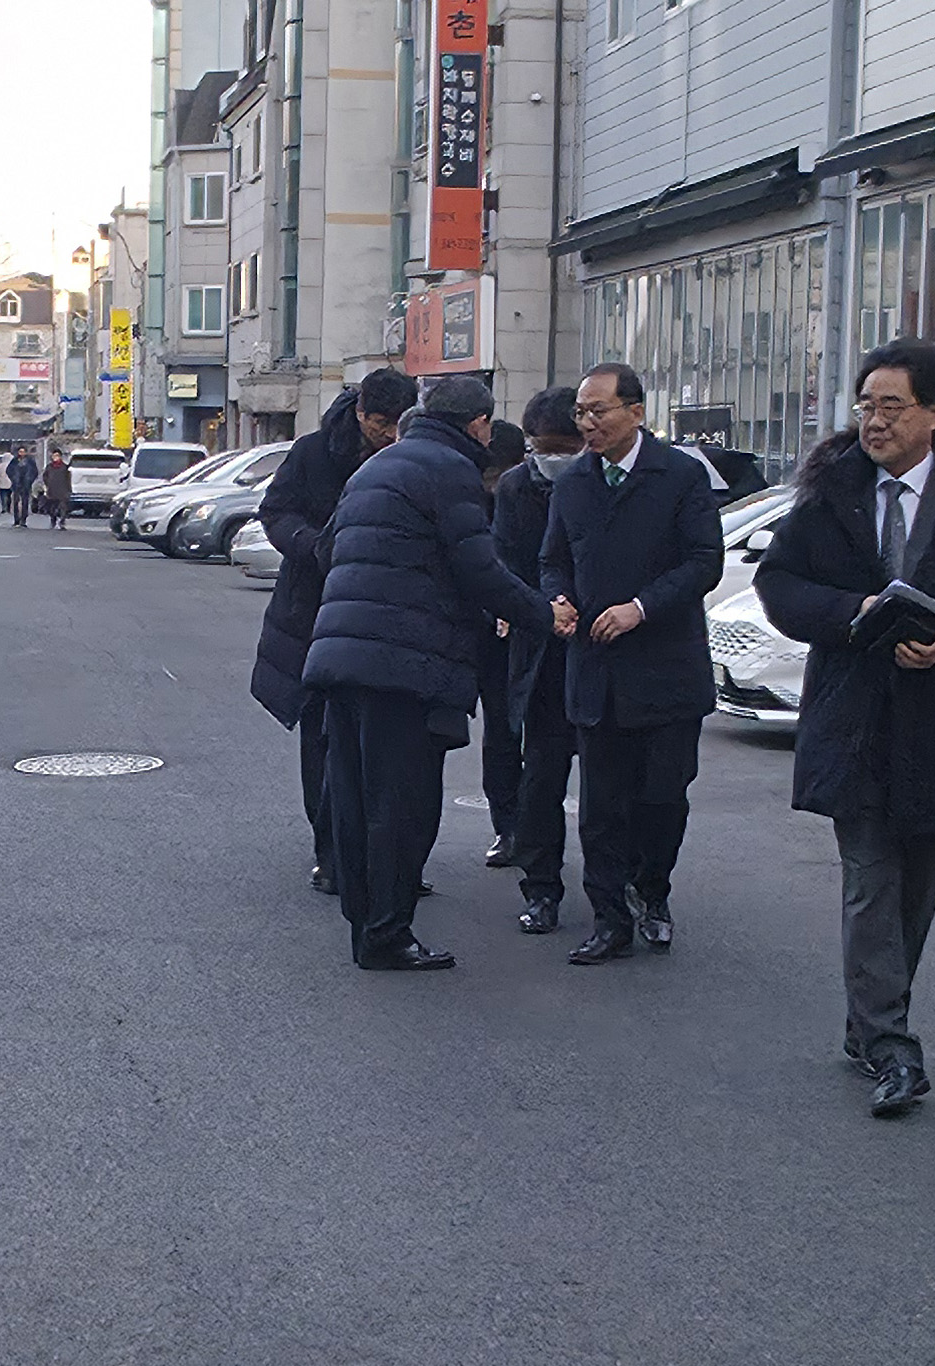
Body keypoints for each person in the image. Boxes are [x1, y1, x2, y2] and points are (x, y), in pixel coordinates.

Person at [751, 340, 935, 1116]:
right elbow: (779, 583)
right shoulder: (832, 493)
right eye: (865, 406)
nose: (874, 422)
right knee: (871, 879)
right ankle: (890, 1043)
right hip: (856, 719)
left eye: (892, 406)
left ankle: (868, 1024)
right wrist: (854, 612)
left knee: (916, 888)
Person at [300, 373, 553, 971]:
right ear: (479, 425)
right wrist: (544, 615)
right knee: (402, 804)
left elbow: (328, 550)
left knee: (355, 801)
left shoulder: (376, 466)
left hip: (342, 656)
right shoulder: (450, 470)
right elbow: (479, 570)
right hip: (404, 664)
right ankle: (389, 934)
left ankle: (366, 927)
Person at [534, 361, 727, 967]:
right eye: (580, 413)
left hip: (666, 670)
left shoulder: (680, 476)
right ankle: (609, 917)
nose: (587, 424)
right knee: (600, 806)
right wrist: (557, 599)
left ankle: (652, 889)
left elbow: (703, 562)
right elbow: (553, 559)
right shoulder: (573, 483)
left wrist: (641, 608)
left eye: (599, 411)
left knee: (662, 798)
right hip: (596, 670)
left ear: (637, 413)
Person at [250, 369, 414, 900]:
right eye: (380, 423)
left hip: (389, 615)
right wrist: (311, 544)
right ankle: (332, 853)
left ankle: (389, 857)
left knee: (389, 744)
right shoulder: (315, 451)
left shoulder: (414, 455)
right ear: (361, 412)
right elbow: (275, 510)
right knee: (323, 738)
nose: (388, 434)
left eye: (398, 424)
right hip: (315, 611)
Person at [475, 409, 555, 906]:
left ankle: (530, 831)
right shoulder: (481, 497)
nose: (490, 483)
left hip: (539, 618)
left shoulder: (537, 489)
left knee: (545, 739)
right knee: (502, 730)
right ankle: (507, 826)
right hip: (497, 628)